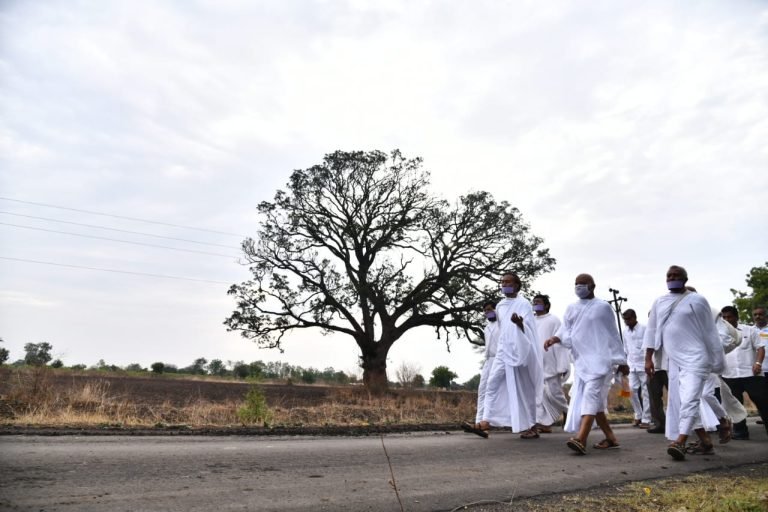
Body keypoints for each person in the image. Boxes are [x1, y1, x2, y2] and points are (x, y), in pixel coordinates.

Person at [643, 266, 725, 461]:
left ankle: (680, 441)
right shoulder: (660, 302)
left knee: (689, 400)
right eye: (669, 275)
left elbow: (710, 332)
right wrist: (648, 358)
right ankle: (710, 436)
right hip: (674, 361)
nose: (672, 278)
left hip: (697, 359)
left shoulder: (698, 300)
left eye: (676, 275)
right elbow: (652, 331)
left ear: (685, 279)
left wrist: (716, 359)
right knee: (682, 402)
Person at [543, 273, 628, 454]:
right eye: (576, 284)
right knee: (594, 402)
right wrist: (554, 338)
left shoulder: (603, 307)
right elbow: (565, 329)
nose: (579, 287)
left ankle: (581, 438)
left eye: (583, 284)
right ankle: (611, 438)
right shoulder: (571, 308)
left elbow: (613, 333)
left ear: (592, 286)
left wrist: (621, 359)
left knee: (590, 396)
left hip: (600, 360)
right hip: (581, 361)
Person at [479, 272, 543, 439]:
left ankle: (532, 425)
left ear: (516, 285)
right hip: (503, 350)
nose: (504, 284)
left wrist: (520, 323)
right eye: (502, 282)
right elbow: (502, 330)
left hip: (520, 351)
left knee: (525, 388)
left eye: (508, 282)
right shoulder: (499, 306)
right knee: (492, 382)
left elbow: (529, 328)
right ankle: (485, 421)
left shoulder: (523, 304)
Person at [720, 305, 768, 440]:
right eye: (724, 317)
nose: (726, 319)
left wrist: (758, 363)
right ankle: (740, 432)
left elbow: (760, 348)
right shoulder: (719, 334)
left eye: (729, 317)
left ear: (736, 317)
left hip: (751, 374)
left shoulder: (749, 330)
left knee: (764, 403)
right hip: (730, 375)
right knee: (734, 406)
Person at [462, 301, 500, 438]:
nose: (487, 312)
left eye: (490, 309)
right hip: (489, 361)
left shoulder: (504, 324)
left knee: (500, 392)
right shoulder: (487, 328)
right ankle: (480, 425)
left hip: (501, 360)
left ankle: (529, 424)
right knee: (483, 390)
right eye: (485, 311)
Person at [532, 294, 569, 433]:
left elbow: (561, 343)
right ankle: (544, 424)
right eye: (534, 302)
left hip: (551, 363)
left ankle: (569, 412)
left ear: (546, 305)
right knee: (539, 396)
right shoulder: (531, 320)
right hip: (535, 363)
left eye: (538, 302)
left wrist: (563, 365)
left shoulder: (554, 320)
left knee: (555, 394)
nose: (535, 304)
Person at [622, 309, 651, 428]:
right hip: (631, 365)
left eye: (629, 319)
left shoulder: (644, 329)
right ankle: (638, 415)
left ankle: (646, 419)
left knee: (646, 392)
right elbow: (625, 348)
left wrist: (648, 362)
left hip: (643, 365)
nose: (627, 322)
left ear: (634, 317)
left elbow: (648, 347)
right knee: (630, 391)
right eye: (625, 320)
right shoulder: (625, 332)